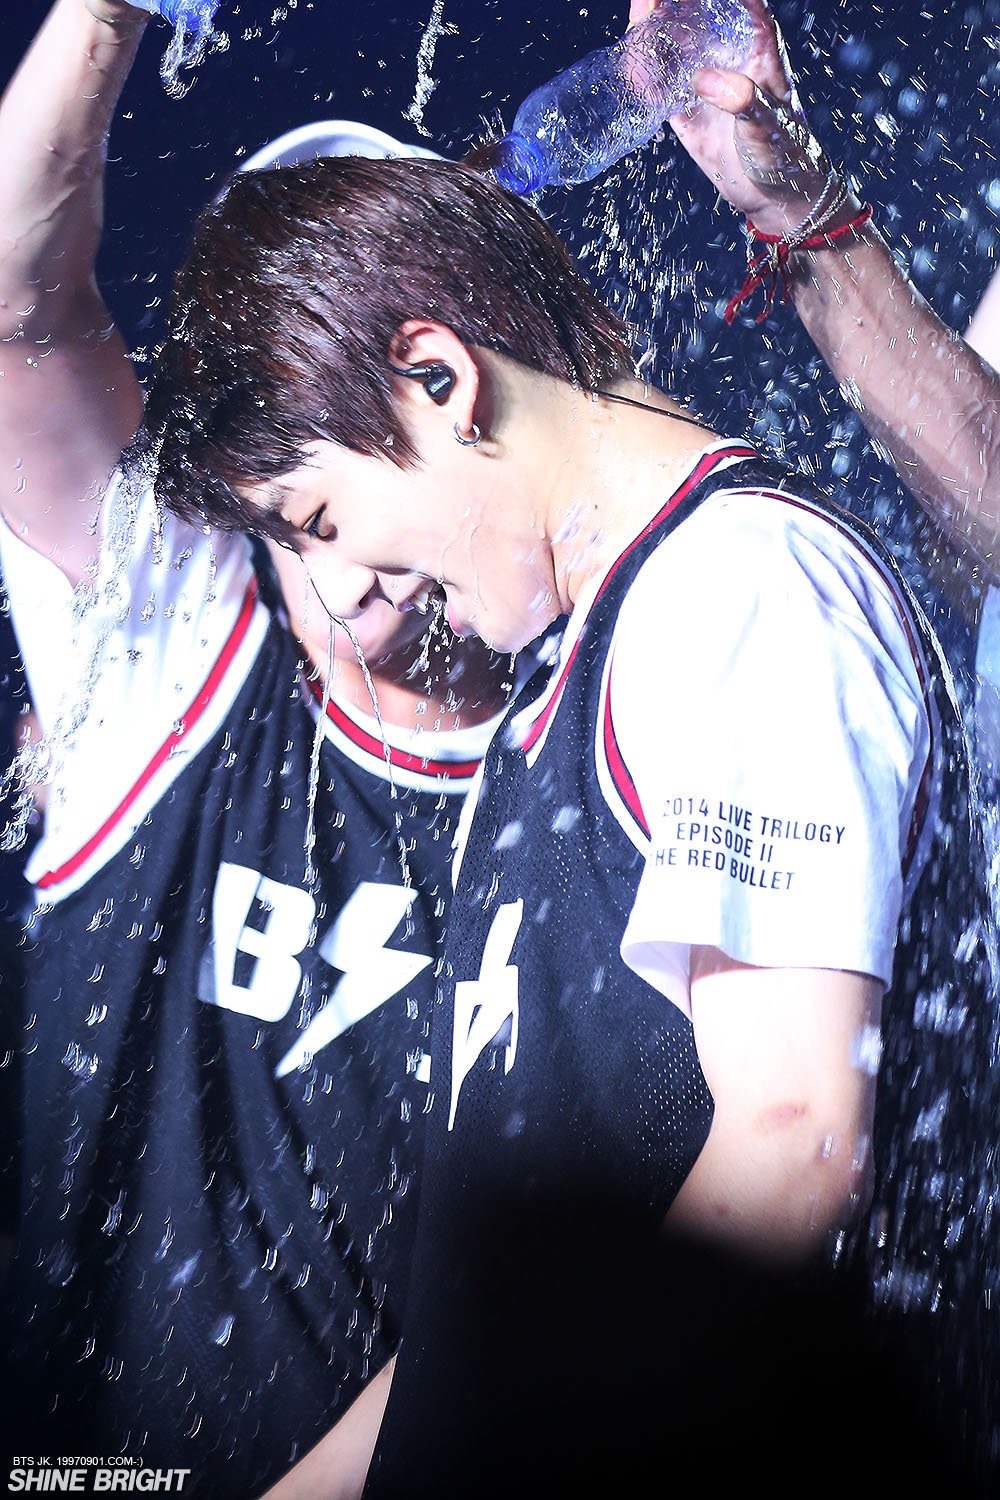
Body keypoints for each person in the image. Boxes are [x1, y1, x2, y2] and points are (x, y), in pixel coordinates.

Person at [134, 44, 996, 1491]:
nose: (338, 594)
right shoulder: (557, 681)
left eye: (319, 519)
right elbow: (481, 1347)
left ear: (438, 379)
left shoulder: (737, 589)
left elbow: (790, 1147)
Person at [0, 1, 511, 1491]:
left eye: (359, 397)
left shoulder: (601, 738)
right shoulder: (176, 642)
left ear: (456, 382)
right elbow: (19, 305)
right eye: (273, 410)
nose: (323, 475)